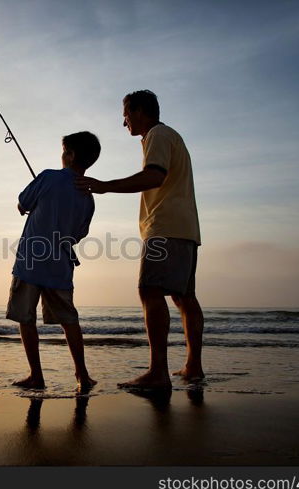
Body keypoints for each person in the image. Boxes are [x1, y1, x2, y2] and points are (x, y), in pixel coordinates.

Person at [75, 90, 204, 391]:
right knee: (184, 297)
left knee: (149, 290)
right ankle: (193, 367)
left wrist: (105, 186)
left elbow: (153, 177)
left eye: (126, 115)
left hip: (165, 227)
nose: (124, 123)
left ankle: (158, 372)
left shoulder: (157, 134)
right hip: (185, 228)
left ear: (140, 111)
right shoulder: (172, 136)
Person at [6, 131, 100, 392]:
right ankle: (82, 374)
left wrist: (30, 207)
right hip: (60, 266)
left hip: (30, 262)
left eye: (63, 151)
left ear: (69, 155)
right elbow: (79, 234)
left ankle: (36, 375)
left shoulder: (48, 177)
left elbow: (22, 203)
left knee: (26, 318)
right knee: (69, 319)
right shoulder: (88, 197)